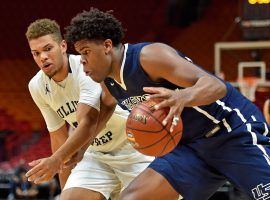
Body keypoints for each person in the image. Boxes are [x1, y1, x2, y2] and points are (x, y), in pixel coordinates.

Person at [64, 8, 270, 200]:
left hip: (230, 132)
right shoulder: (109, 82)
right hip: (189, 149)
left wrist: (182, 97)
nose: (82, 60)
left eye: (86, 51)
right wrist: (83, 147)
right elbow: (104, 110)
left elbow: (216, 86)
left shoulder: (150, 56)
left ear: (107, 46)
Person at [25, 18, 153, 200]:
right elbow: (58, 137)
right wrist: (65, 189)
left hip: (133, 148)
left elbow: (88, 122)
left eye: (47, 49)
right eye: (35, 53)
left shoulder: (86, 67)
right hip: (95, 154)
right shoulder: (37, 86)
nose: (42, 57)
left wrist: (56, 160)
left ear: (62, 46)